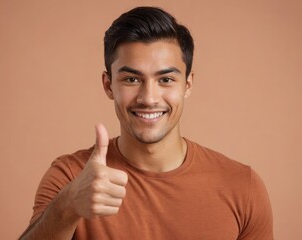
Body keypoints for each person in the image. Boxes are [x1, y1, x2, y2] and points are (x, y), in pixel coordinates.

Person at [19, 6, 273, 240]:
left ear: (188, 84)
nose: (148, 98)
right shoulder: (71, 178)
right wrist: (68, 206)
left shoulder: (243, 187)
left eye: (166, 80)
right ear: (109, 85)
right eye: (131, 79)